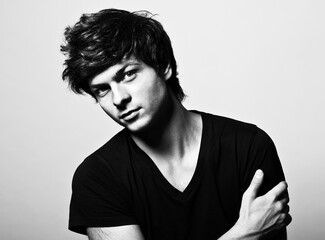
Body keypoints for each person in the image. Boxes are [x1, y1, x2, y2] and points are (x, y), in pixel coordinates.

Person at [61, 9, 291, 240]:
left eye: (128, 74)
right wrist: (244, 236)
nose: (118, 98)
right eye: (102, 89)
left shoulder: (247, 146)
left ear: (164, 66)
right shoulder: (97, 177)